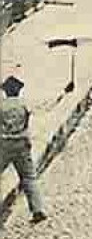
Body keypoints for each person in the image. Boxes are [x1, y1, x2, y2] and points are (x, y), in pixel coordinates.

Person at [0, 75, 47, 225]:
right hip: (22, 145)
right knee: (28, 177)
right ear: (19, 91)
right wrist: (64, 92)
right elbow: (45, 107)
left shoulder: (1, 106)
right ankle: (38, 209)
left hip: (4, 145)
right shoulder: (24, 104)